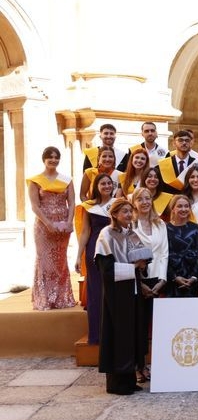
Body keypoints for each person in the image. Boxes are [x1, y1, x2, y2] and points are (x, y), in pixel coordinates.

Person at [94, 198, 150, 395]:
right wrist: (133, 266)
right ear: (115, 214)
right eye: (124, 211)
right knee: (118, 334)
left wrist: (143, 264)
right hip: (117, 293)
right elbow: (106, 270)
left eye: (130, 211)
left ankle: (129, 377)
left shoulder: (131, 233)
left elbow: (144, 258)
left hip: (133, 289)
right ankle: (117, 382)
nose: (128, 215)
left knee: (132, 333)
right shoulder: (106, 235)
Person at [27, 146, 76, 310]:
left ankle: (62, 298)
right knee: (45, 261)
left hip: (62, 227)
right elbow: (35, 206)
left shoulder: (66, 180)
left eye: (56, 157)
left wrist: (69, 223)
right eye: (50, 157)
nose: (53, 160)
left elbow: (72, 203)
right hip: (43, 227)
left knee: (60, 260)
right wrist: (48, 223)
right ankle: (45, 299)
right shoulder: (35, 180)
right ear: (44, 159)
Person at [131, 187, 168, 384]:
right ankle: (138, 365)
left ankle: (153, 364)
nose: (145, 202)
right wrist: (141, 283)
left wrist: (162, 279)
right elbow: (128, 256)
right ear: (134, 202)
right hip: (138, 281)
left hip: (157, 280)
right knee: (139, 325)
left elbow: (164, 253)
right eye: (141, 199)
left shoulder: (160, 223)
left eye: (148, 198)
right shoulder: (130, 225)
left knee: (156, 326)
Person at [74, 174, 115, 344]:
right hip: (93, 250)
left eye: (109, 183)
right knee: (96, 291)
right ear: (96, 186)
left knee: (113, 291)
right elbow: (84, 232)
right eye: (102, 183)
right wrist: (78, 255)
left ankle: (112, 333)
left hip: (113, 249)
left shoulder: (118, 203)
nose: (106, 186)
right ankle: (97, 335)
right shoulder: (89, 207)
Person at [165, 194, 198, 298]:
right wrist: (174, 277)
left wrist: (194, 277)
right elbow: (163, 255)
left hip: (192, 280)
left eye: (186, 206)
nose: (184, 209)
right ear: (173, 209)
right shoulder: (165, 228)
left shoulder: (195, 228)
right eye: (180, 206)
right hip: (172, 279)